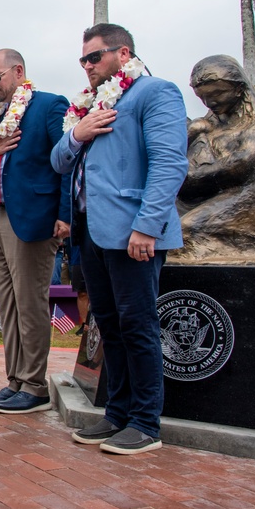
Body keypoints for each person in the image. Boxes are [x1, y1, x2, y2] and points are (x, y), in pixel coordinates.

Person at [51, 23, 188, 455]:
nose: (87, 65)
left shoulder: (155, 92)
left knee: (138, 325)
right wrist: (79, 132)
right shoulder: (86, 108)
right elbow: (58, 160)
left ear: (123, 54)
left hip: (134, 233)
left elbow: (169, 164)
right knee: (108, 324)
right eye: (83, 59)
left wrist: (147, 225)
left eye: (95, 57)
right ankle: (117, 412)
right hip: (90, 233)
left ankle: (146, 423)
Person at [0, 48, 71, 415]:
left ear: (18, 71)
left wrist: (65, 215)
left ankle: (35, 386)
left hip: (31, 219)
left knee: (29, 304)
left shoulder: (48, 105)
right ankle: (15, 381)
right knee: (5, 305)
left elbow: (67, 161)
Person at [174, 55, 255, 264]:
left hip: (250, 197)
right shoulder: (205, 123)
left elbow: (242, 164)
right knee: (160, 228)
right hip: (201, 195)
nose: (210, 102)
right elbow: (173, 157)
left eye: (218, 94)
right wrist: (192, 133)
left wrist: (194, 176)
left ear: (239, 88)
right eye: (202, 97)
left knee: (184, 231)